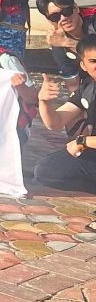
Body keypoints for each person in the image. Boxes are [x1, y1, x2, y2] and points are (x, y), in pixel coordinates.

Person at [34, 40, 96, 192]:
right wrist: (44, 102)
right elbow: (55, 122)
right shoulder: (88, 87)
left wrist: (82, 141)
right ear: (83, 65)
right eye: (93, 61)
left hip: (88, 144)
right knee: (46, 169)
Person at [35, 0, 96, 90]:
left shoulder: (93, 23)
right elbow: (73, 87)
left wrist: (68, 43)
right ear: (49, 21)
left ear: (76, 8)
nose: (63, 18)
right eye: (55, 17)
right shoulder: (59, 48)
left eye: (66, 11)